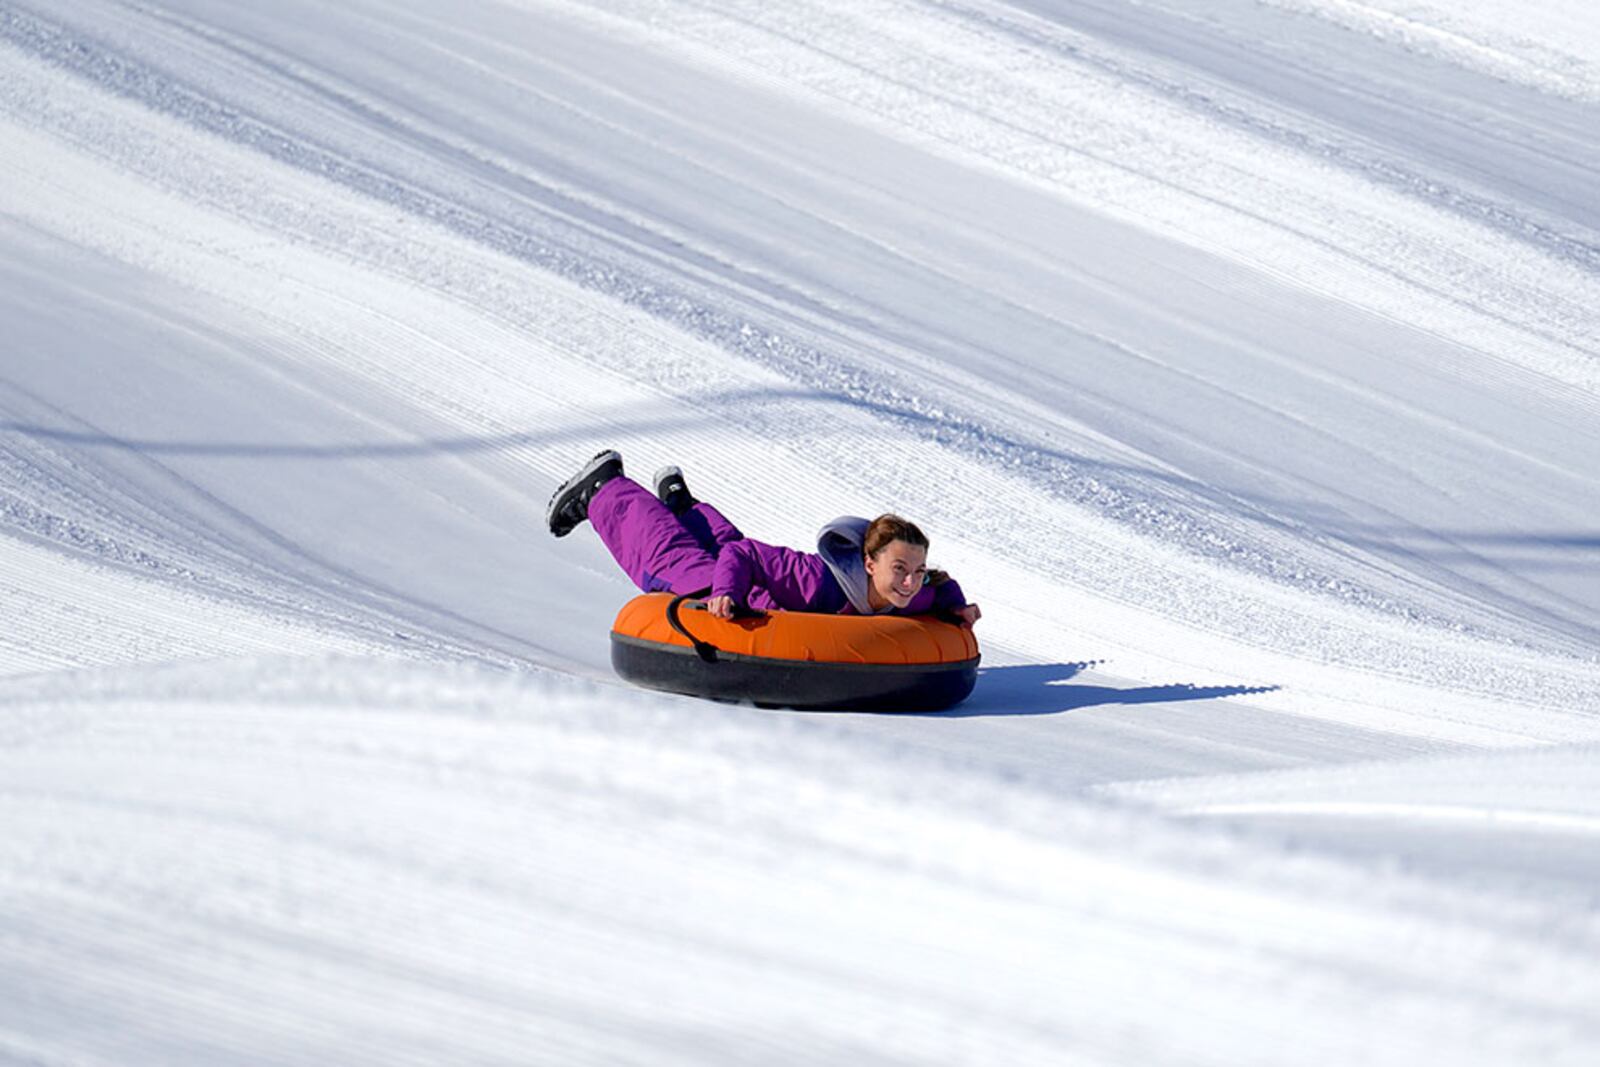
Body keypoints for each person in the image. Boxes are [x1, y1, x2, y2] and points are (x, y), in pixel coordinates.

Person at [546, 450, 981, 626]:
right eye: (899, 569)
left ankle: (681, 504)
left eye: (916, 571)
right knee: (675, 565)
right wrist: (725, 592)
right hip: (744, 584)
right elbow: (743, 554)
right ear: (869, 564)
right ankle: (604, 490)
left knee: (714, 545)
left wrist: (959, 607)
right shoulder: (818, 580)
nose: (909, 581)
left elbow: (940, 587)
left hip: (754, 586)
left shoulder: (913, 593)